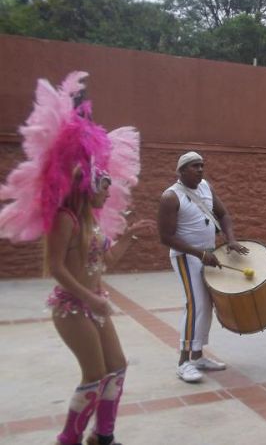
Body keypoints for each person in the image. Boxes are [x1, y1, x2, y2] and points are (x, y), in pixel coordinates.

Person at [0, 72, 155, 445]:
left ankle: (103, 436)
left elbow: (104, 265)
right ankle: (68, 439)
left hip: (92, 304)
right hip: (71, 307)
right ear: (87, 185)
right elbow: (55, 268)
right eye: (105, 185)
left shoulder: (93, 222)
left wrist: (131, 239)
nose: (109, 191)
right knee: (95, 374)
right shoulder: (65, 220)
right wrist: (90, 297)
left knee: (116, 367)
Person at [158, 152, 249, 382]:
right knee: (195, 304)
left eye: (201, 165)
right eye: (194, 166)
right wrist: (199, 254)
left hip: (208, 254)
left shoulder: (206, 187)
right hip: (186, 257)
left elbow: (223, 214)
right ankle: (183, 362)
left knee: (207, 305)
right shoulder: (171, 197)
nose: (200, 169)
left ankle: (197, 357)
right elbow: (166, 237)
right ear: (181, 171)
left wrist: (230, 239)